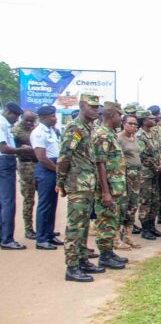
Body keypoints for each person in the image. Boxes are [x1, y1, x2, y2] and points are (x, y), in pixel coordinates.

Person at [57, 94, 111, 282]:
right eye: (92, 107)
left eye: (98, 107)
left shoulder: (89, 128)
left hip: (88, 184)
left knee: (84, 225)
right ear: (81, 106)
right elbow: (64, 157)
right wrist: (60, 182)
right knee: (75, 227)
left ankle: (82, 260)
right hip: (77, 185)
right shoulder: (75, 128)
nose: (96, 110)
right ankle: (72, 267)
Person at [93, 102, 129, 268]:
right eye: (119, 115)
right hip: (107, 189)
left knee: (112, 220)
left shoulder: (110, 134)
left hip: (115, 187)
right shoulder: (102, 135)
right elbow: (99, 164)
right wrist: (105, 192)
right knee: (105, 221)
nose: (120, 119)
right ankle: (104, 256)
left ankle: (109, 252)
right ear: (112, 115)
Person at [1, 102, 33, 250]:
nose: (16, 119)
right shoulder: (2, 124)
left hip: (5, 162)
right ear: (7, 112)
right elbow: (4, 148)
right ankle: (7, 239)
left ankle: (4, 237)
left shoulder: (6, 124)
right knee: (8, 202)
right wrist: (21, 150)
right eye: (15, 116)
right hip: (4, 162)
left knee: (4, 202)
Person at [31, 105, 62, 250]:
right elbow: (41, 158)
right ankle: (41, 238)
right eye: (52, 116)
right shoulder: (38, 133)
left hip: (53, 168)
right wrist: (58, 170)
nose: (55, 118)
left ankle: (50, 234)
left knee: (52, 204)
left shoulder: (51, 131)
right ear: (43, 117)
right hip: (46, 169)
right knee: (44, 205)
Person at [136, 110, 161, 241]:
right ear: (144, 120)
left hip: (155, 173)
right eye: (150, 118)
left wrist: (160, 165)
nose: (153, 120)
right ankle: (145, 228)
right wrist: (155, 165)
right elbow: (142, 155)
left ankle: (152, 226)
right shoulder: (139, 135)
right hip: (145, 173)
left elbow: (159, 151)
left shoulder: (154, 134)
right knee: (145, 200)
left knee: (155, 199)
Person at [117, 114, 142, 249]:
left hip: (136, 176)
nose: (133, 126)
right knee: (122, 206)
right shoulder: (119, 138)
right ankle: (116, 238)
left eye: (135, 124)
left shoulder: (135, 138)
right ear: (123, 124)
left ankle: (128, 236)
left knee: (133, 206)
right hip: (124, 175)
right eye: (130, 123)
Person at [12, 110, 39, 239]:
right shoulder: (17, 131)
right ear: (22, 118)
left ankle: (43, 228)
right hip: (26, 166)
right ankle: (28, 229)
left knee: (45, 198)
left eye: (31, 121)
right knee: (29, 199)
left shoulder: (36, 128)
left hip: (38, 165)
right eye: (27, 120)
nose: (29, 123)